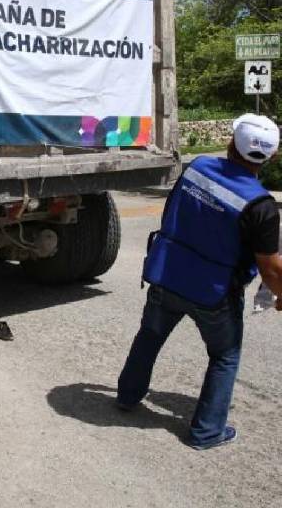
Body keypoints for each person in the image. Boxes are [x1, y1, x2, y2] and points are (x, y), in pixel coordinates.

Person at [117, 113, 282, 450]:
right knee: (224, 356)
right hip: (214, 294)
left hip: (167, 273)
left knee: (150, 335)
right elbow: (271, 271)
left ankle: (127, 397)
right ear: (271, 157)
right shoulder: (262, 206)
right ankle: (206, 432)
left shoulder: (197, 168)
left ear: (229, 143)